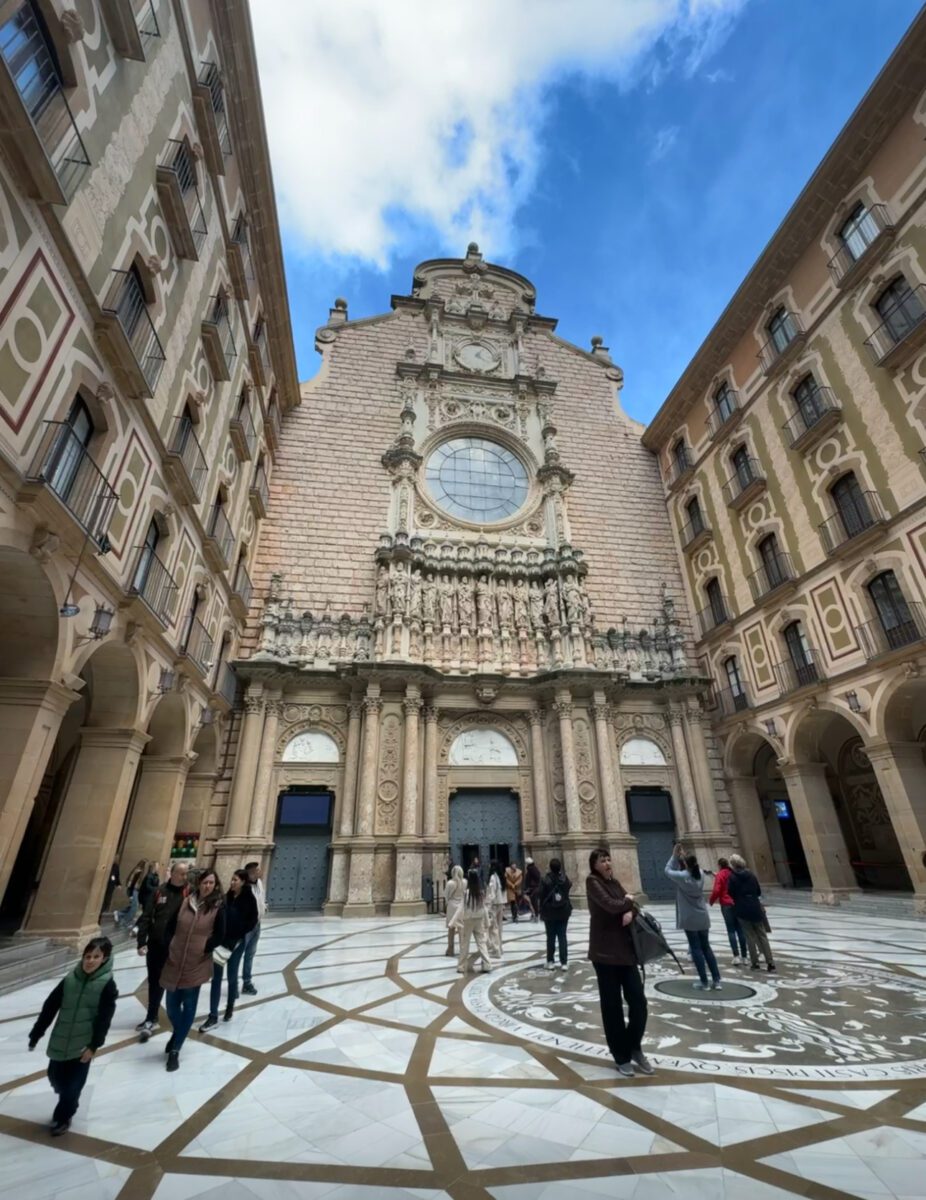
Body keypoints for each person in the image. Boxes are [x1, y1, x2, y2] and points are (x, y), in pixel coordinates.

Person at [28, 936, 118, 1136]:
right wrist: (37, 1032)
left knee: (72, 1088)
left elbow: (105, 1019)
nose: (90, 961)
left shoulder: (107, 985)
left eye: (96, 957)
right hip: (61, 1040)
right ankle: (68, 1100)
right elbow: (50, 1007)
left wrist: (94, 1046)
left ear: (104, 959)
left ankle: (63, 1116)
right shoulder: (69, 979)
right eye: (88, 956)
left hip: (82, 1047)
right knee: (55, 1079)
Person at [586, 847, 652, 1077]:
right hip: (604, 954)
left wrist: (629, 908)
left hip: (625, 953)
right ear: (593, 864)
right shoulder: (592, 883)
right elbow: (612, 905)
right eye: (602, 860)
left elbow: (633, 906)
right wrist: (627, 903)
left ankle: (633, 1045)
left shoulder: (614, 883)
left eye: (608, 859)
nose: (607, 863)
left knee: (639, 1003)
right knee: (611, 1006)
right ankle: (621, 1055)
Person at [159, 868, 225, 1071]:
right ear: (199, 883)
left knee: (189, 1005)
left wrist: (203, 947)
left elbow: (220, 934)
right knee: (171, 1005)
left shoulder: (217, 907)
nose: (207, 886)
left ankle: (176, 1049)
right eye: (205, 882)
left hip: (196, 962)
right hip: (175, 958)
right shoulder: (185, 901)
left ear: (215, 885)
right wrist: (170, 945)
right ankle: (179, 1033)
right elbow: (170, 926)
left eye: (211, 883)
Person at [135, 859, 190, 1041]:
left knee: (175, 983)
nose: (185, 876)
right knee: (154, 981)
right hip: (156, 946)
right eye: (182, 873)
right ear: (172, 873)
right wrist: (141, 941)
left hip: (177, 948)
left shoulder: (188, 894)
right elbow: (146, 916)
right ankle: (151, 1016)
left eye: (186, 873)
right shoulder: (159, 892)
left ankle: (177, 1018)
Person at [200, 868, 259, 1031]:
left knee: (232, 976)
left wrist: (241, 934)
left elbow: (253, 920)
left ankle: (230, 1006)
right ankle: (213, 1015)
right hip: (221, 942)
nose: (232, 882)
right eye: (232, 880)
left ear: (243, 882)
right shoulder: (226, 898)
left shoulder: (249, 899)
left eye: (235, 880)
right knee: (216, 978)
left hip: (237, 943)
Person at [665, 843, 721, 991]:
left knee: (696, 949)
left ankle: (704, 982)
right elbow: (702, 870)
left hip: (690, 918)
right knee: (706, 947)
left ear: (685, 865)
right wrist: (683, 858)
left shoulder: (683, 876)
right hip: (702, 916)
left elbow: (667, 870)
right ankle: (716, 980)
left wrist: (674, 855)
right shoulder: (700, 874)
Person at [727, 853, 776, 972]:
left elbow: (730, 893)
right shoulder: (752, 875)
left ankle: (755, 963)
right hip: (755, 906)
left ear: (733, 865)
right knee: (762, 935)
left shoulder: (732, 878)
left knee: (749, 936)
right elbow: (758, 891)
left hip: (742, 908)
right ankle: (770, 963)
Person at [454, 868, 492, 975]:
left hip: (468, 920)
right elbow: (484, 908)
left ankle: (461, 966)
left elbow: (461, 907)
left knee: (465, 944)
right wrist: (486, 922)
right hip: (479, 920)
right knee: (481, 942)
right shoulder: (480, 892)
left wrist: (454, 920)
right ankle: (487, 964)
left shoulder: (466, 893)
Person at [710, 856, 747, 965]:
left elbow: (717, 890)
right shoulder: (734, 873)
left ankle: (736, 956)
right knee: (740, 930)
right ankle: (745, 957)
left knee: (731, 930)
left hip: (726, 904)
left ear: (720, 865)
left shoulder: (720, 874)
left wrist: (711, 900)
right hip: (737, 903)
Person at [539, 857, 572, 970]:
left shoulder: (545, 879)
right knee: (562, 936)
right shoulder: (564, 878)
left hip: (550, 912)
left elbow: (541, 895)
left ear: (550, 867)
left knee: (551, 937)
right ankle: (564, 963)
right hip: (563, 911)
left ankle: (550, 961)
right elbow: (568, 888)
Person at [241, 860, 265, 996]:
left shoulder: (259, 883)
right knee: (238, 955)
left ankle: (247, 982)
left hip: (257, 924)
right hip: (247, 926)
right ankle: (234, 983)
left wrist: (264, 907)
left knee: (250, 954)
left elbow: (260, 899)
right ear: (252, 873)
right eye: (258, 870)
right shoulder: (244, 888)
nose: (261, 871)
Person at [114, 859, 147, 928]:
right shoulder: (138, 872)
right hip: (133, 890)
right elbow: (133, 883)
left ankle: (119, 914)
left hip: (134, 890)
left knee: (132, 907)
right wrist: (131, 894)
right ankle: (125, 922)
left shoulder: (137, 870)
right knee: (134, 908)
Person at [485, 860, 505, 961]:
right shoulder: (500, 877)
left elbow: (492, 892)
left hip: (494, 905)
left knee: (493, 928)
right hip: (500, 903)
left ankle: (495, 949)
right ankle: (500, 947)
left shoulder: (493, 877)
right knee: (499, 927)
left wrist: (488, 904)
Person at [444, 865, 465, 955]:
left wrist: (447, 903)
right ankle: (462, 949)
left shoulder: (450, 883)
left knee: (451, 928)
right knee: (461, 928)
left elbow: (446, 896)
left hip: (452, 906)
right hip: (461, 906)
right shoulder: (464, 882)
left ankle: (450, 949)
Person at [524, 857, 542, 921]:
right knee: (534, 902)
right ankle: (536, 914)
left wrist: (527, 887)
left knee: (534, 902)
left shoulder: (531, 869)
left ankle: (536, 915)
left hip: (533, 888)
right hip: (535, 888)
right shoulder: (534, 869)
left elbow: (529, 879)